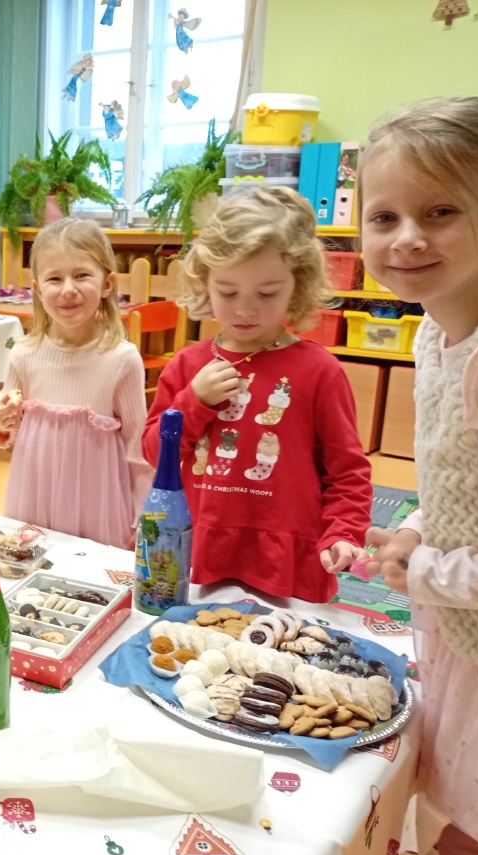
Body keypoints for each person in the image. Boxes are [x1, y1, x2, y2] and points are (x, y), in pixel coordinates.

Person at [362, 97, 478, 855]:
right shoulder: (435, 329)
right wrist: (418, 528)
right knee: (452, 798)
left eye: (438, 213)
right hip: (467, 633)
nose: (406, 238)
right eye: (383, 216)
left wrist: (430, 572)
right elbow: (470, 481)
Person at [143, 185, 371, 603]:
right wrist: (194, 402)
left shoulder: (320, 371)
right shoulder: (187, 366)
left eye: (266, 293)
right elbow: (156, 454)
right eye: (228, 292)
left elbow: (348, 472)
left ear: (298, 286)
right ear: (205, 283)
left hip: (288, 559)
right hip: (199, 550)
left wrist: (343, 531)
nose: (245, 309)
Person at [0, 217, 151, 549]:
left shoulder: (122, 359)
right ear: (37, 290)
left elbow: (138, 448)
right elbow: (9, 434)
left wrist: (143, 514)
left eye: (82, 275)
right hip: (34, 497)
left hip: (97, 505)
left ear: (107, 283)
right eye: (55, 278)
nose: (68, 289)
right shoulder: (23, 354)